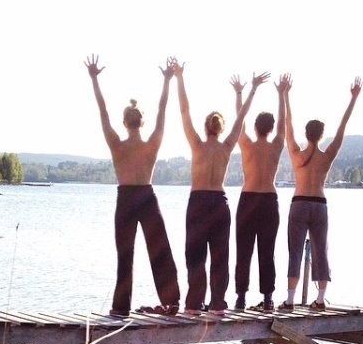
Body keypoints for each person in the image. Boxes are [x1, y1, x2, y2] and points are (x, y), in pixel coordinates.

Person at [85, 54, 180, 318]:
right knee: (159, 249)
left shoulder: (116, 144)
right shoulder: (152, 144)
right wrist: (167, 81)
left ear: (125, 122)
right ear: (141, 122)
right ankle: (171, 302)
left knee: (125, 255)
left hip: (126, 198)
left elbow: (102, 111)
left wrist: (94, 79)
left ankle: (120, 307)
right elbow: (162, 111)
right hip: (147, 197)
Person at [173, 60, 269, 315]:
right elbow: (242, 117)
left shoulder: (197, 144)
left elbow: (184, 111)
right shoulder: (227, 146)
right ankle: (217, 304)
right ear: (221, 128)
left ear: (206, 127)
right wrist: (252, 89)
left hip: (198, 200)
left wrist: (179, 78)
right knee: (219, 255)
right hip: (219, 202)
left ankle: (193, 305)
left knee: (195, 255)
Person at [279, 76, 363, 310]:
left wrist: (285, 95)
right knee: (321, 250)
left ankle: (289, 299)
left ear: (307, 134)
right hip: (319, 204)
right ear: (320, 134)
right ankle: (319, 298)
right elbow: (342, 128)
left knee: (295, 250)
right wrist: (353, 99)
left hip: (299, 204)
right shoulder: (327, 156)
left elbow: (288, 124)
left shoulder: (296, 154)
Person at [231, 73, 290, 312]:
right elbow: (284, 124)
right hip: (268, 200)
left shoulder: (246, 144)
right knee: (267, 251)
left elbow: (239, 119)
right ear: (271, 128)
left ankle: (241, 298)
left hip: (249, 199)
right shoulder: (277, 145)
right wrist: (282, 94)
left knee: (244, 251)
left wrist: (242, 92)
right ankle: (267, 298)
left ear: (256, 127)